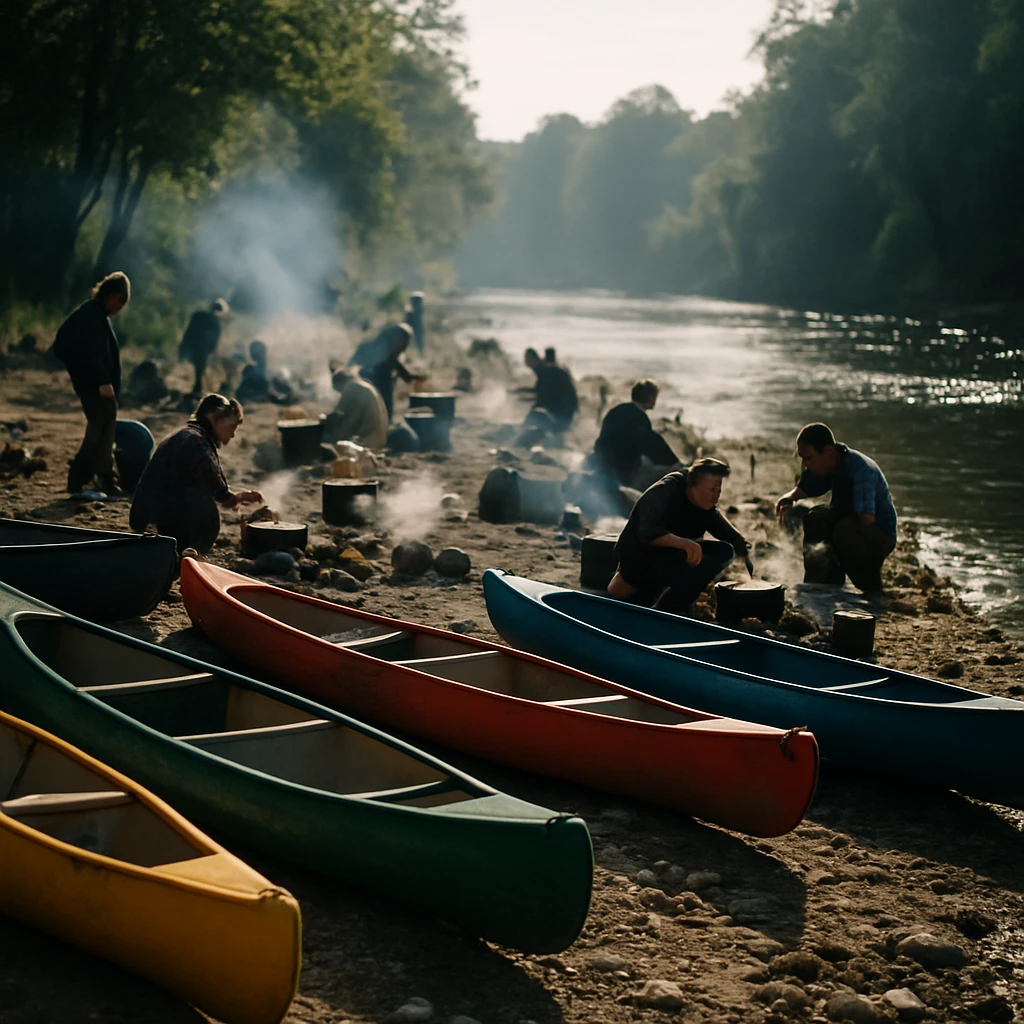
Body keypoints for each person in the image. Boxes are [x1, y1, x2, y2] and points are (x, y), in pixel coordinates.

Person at [607, 457, 748, 612]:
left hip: (672, 556)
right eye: (712, 490)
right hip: (641, 556)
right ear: (694, 485)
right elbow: (647, 532)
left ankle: (668, 608)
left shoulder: (702, 500)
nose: (716, 496)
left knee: (724, 551)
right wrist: (683, 543)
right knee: (625, 595)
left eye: (718, 491)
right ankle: (644, 598)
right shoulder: (665, 491)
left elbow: (717, 522)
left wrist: (740, 543)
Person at [129, 394, 262, 555]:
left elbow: (205, 480)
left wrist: (235, 495)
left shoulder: (186, 434)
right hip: (163, 516)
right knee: (205, 507)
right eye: (233, 427)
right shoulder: (198, 442)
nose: (233, 434)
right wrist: (238, 498)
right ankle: (187, 550)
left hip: (149, 510)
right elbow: (220, 493)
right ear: (218, 419)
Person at [774, 422, 897, 593]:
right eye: (803, 459)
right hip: (853, 522)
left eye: (809, 458)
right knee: (814, 518)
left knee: (842, 529)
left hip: (879, 533)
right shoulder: (831, 461)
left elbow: (867, 519)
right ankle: (823, 584)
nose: (805, 465)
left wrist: (834, 522)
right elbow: (810, 484)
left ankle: (872, 587)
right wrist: (788, 498)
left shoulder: (861, 470)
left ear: (829, 452)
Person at [52, 271, 130, 495]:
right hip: (96, 385)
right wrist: (101, 381)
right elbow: (94, 353)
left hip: (95, 383)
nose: (121, 307)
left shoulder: (95, 314)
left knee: (106, 425)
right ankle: (81, 477)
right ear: (112, 295)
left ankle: (102, 475)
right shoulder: (92, 316)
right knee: (99, 426)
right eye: (121, 300)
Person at [592, 379, 680, 491]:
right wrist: (674, 462)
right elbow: (652, 443)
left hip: (602, 462)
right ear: (650, 397)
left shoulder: (616, 410)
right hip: (621, 470)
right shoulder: (639, 418)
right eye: (654, 396)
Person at [349, 322, 426, 421]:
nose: (404, 347)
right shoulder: (370, 349)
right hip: (365, 398)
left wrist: (420, 377)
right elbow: (351, 368)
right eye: (403, 342)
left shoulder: (390, 356)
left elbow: (406, 376)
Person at [518, 347, 578, 444]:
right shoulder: (547, 369)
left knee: (534, 417)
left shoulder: (546, 371)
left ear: (535, 359)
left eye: (528, 359)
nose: (526, 363)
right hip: (563, 413)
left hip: (561, 414)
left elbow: (544, 396)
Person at [323, 366, 389, 449]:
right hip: (380, 439)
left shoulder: (351, 387)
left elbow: (346, 418)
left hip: (367, 442)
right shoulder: (363, 385)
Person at [179, 298, 229, 396]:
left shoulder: (199, 316)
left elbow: (189, 331)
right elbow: (214, 338)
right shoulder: (214, 321)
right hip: (202, 347)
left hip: (195, 345)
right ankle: (198, 387)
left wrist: (185, 345)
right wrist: (212, 349)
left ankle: (198, 387)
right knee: (200, 367)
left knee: (199, 367)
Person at [235, 340, 293, 405]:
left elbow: (281, 387)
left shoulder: (267, 370)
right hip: (256, 398)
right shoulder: (250, 369)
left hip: (263, 397)